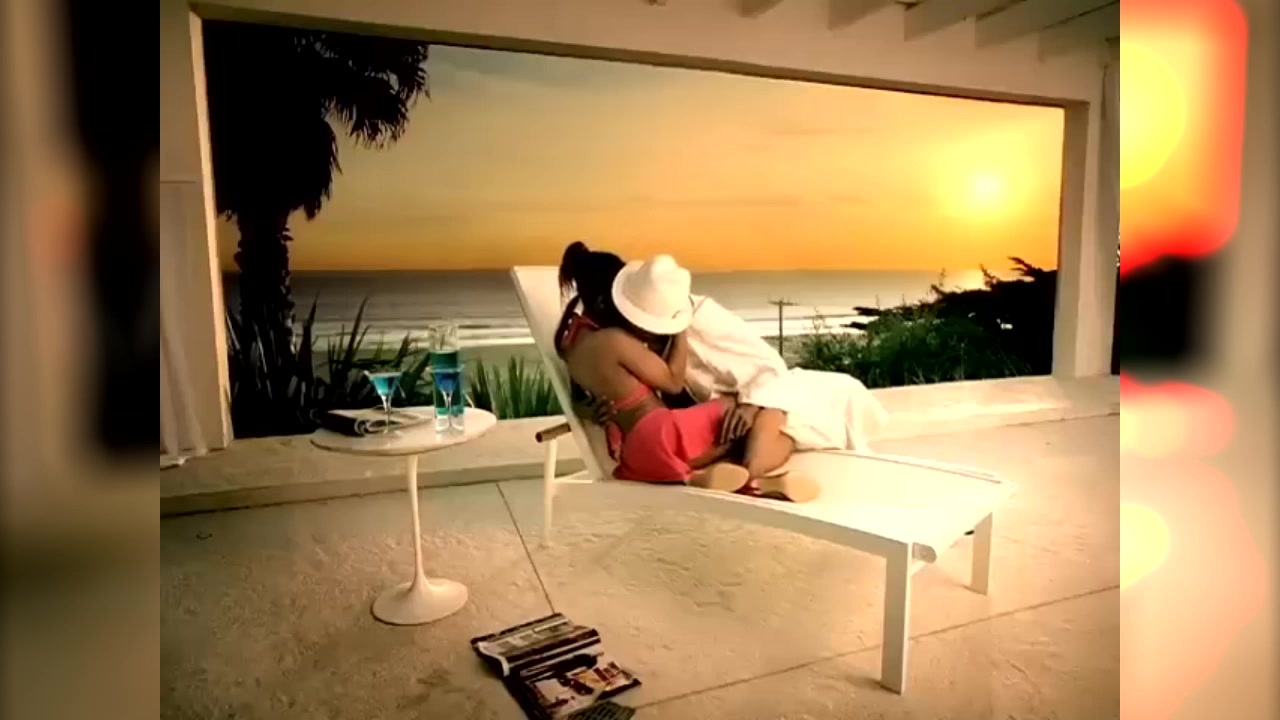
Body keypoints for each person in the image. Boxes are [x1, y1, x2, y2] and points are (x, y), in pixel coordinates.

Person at [556, 242, 820, 502]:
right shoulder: (616, 339)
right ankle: (754, 481)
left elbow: (579, 398)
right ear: (604, 302)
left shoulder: (570, 345)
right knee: (770, 421)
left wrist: (587, 411)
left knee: (759, 416)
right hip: (665, 434)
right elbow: (672, 383)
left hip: (637, 457)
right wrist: (681, 326)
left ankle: (708, 477)